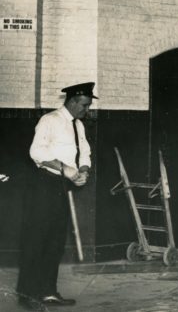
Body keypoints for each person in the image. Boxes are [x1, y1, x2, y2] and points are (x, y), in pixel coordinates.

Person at [17, 82, 96, 311]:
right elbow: (37, 152)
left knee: (55, 242)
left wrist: (83, 171)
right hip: (44, 185)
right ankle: (28, 294)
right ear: (71, 101)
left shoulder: (78, 125)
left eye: (88, 106)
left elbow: (85, 153)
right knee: (37, 239)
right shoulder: (49, 120)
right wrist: (65, 169)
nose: (86, 110)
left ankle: (48, 292)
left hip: (63, 187)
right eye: (84, 105)